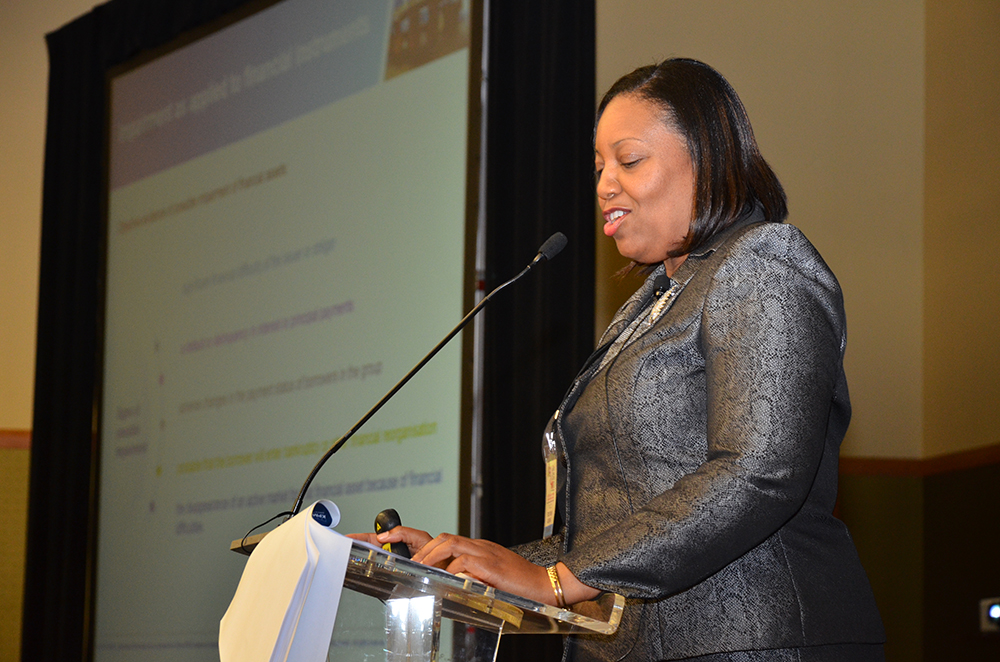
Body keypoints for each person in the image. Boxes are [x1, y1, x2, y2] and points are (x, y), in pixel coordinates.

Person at [352, 58, 886, 661]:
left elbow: (759, 471)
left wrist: (559, 581)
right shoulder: (652, 302)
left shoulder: (763, 260)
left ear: (708, 158)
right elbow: (611, 532)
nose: (605, 184)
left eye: (629, 160)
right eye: (599, 166)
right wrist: (462, 566)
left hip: (757, 642)